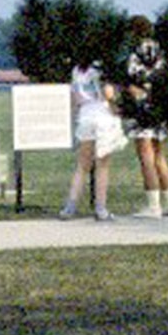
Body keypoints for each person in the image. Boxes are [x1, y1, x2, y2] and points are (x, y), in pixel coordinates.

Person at [123, 15, 168, 217]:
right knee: (159, 156)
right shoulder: (160, 51)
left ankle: (153, 205)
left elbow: (132, 77)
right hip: (160, 106)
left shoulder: (134, 52)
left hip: (141, 108)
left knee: (145, 157)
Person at [58, 59, 125, 221]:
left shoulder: (77, 70)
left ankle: (70, 206)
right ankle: (101, 208)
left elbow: (74, 97)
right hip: (103, 116)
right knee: (102, 166)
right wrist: (119, 108)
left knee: (82, 166)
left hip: (85, 115)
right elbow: (108, 94)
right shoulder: (101, 67)